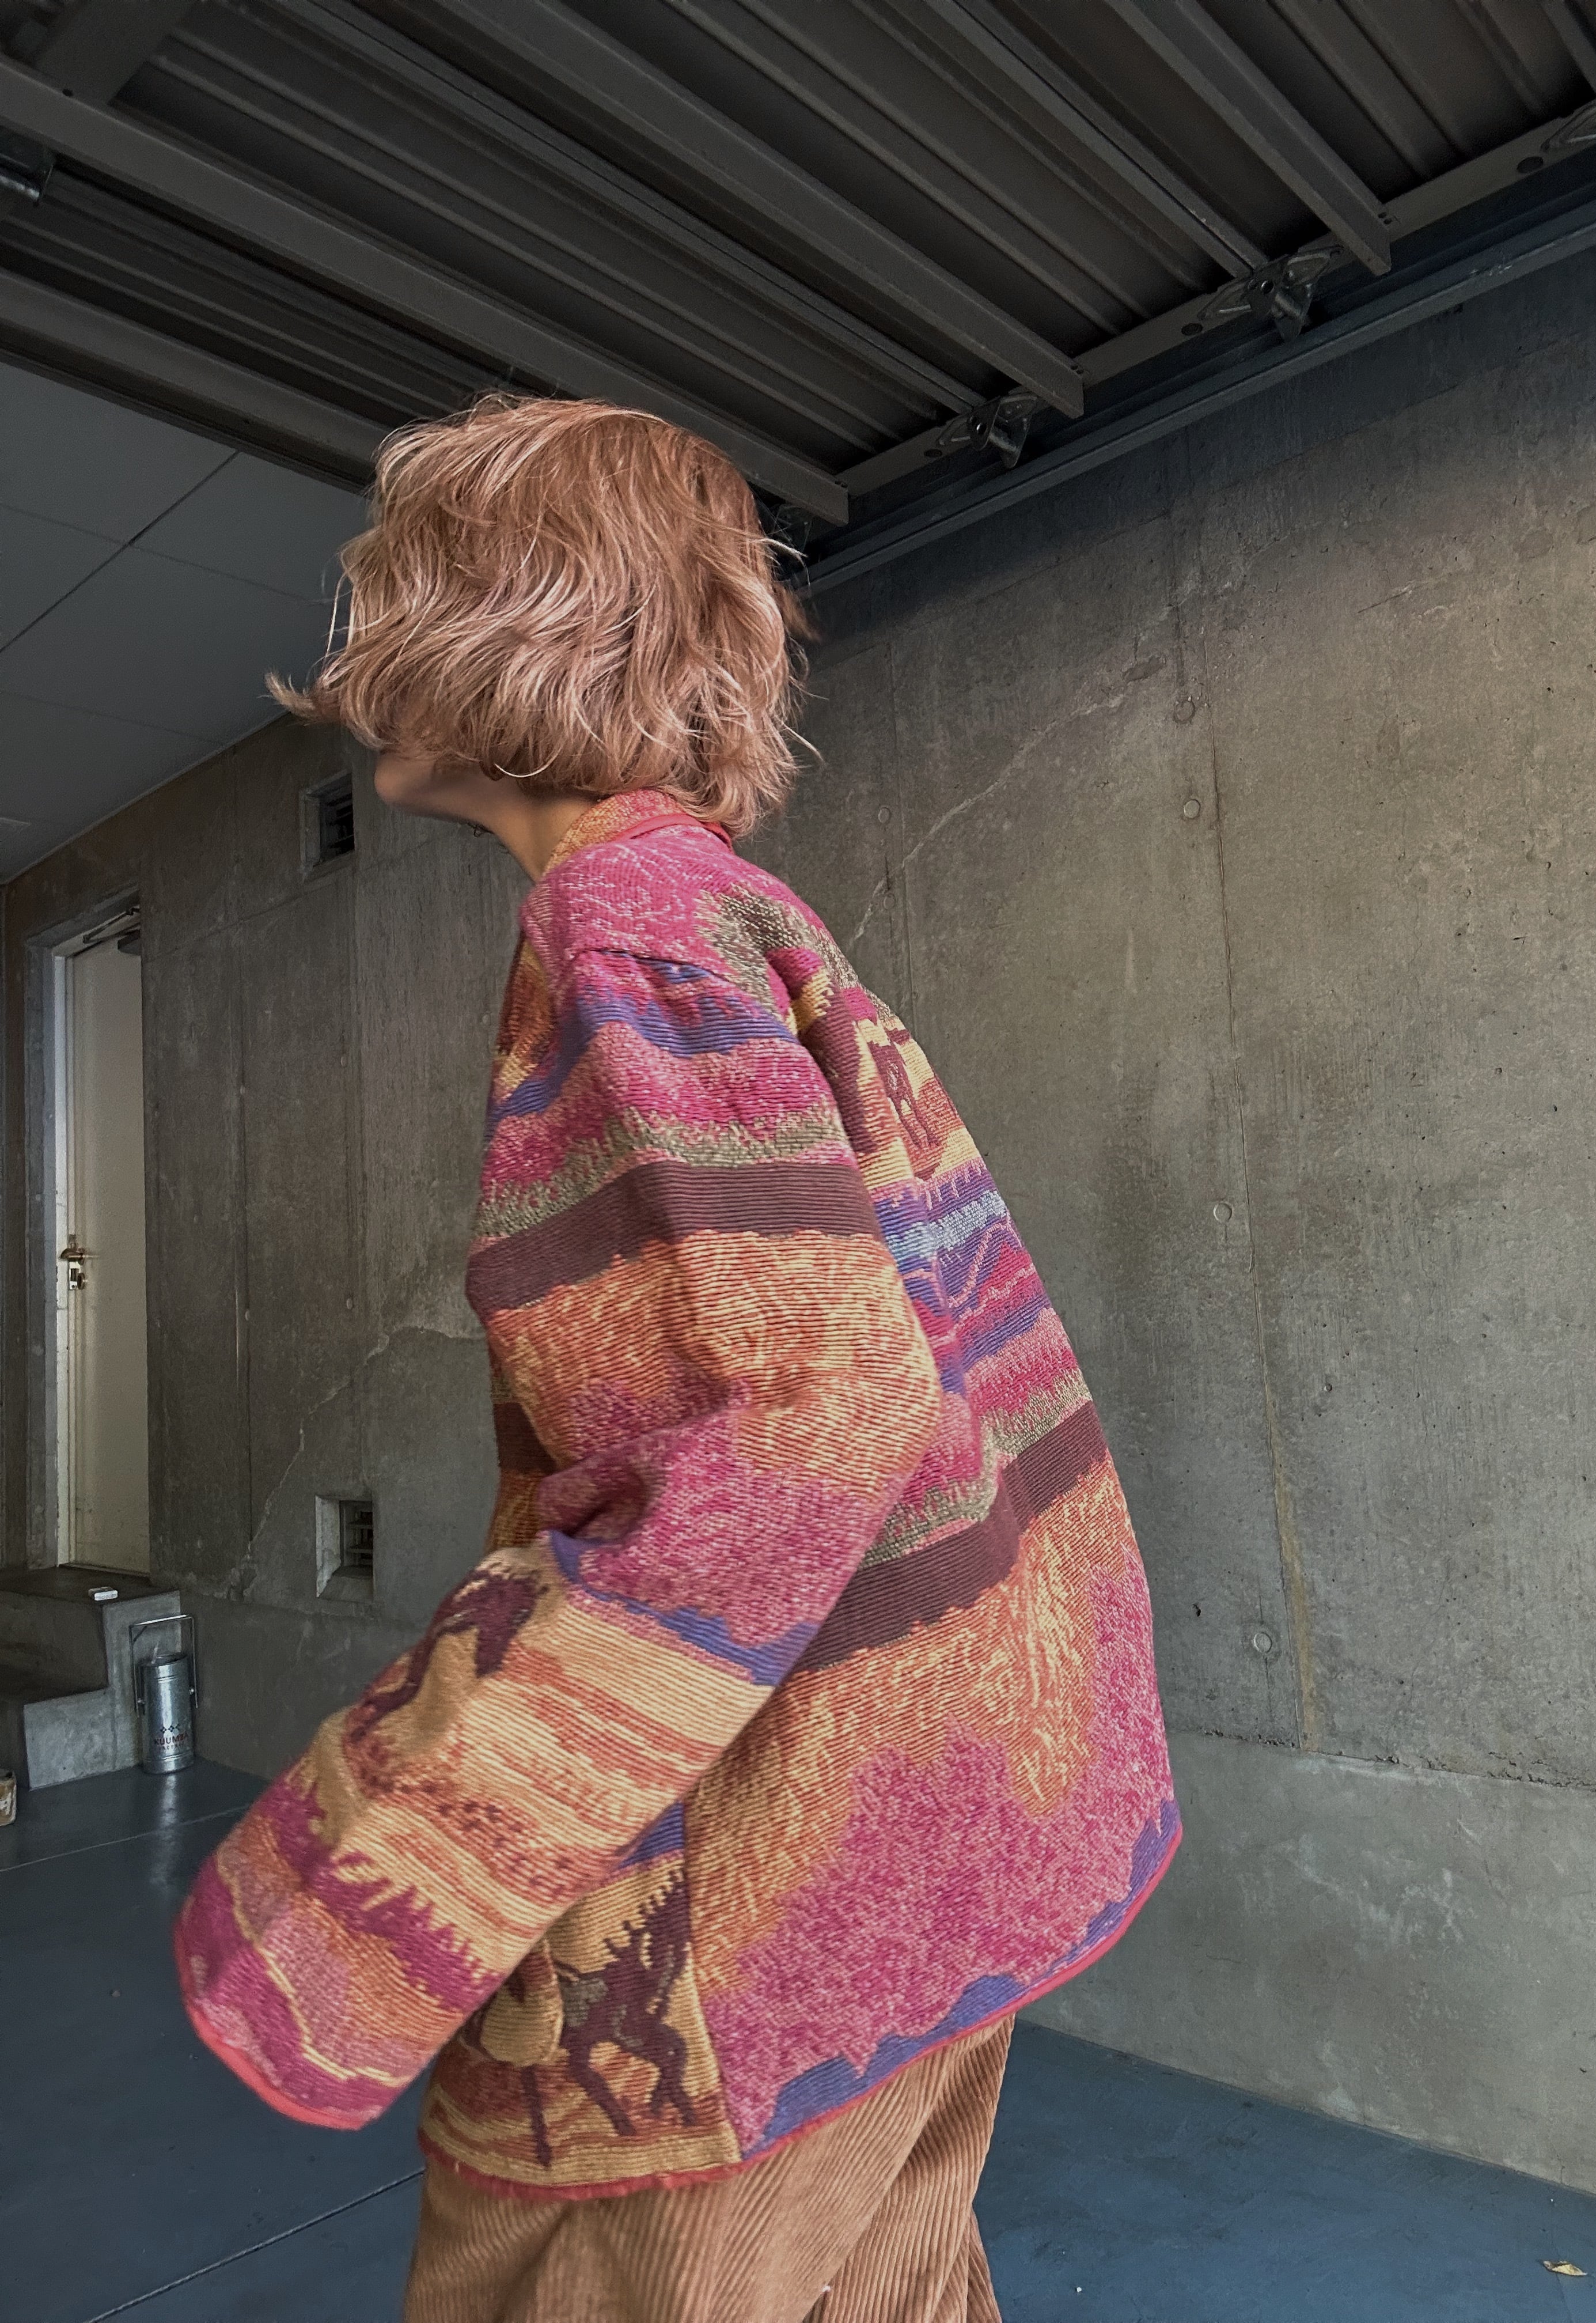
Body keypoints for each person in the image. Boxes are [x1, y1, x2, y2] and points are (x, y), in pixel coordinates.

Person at [173, 396, 1179, 2323]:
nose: (362, 658)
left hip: (794, 1861)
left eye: (398, 598)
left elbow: (821, 1407)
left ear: (518, 620)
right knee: (894, 2288)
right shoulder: (729, 903)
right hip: (963, 1807)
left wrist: (441, 1837)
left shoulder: (618, 917)